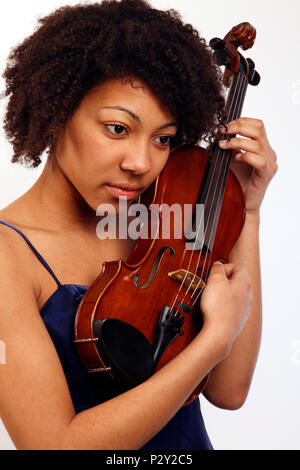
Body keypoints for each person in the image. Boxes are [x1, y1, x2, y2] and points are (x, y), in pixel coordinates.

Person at [0, 0, 277, 450]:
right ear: (58, 111)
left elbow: (229, 391)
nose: (141, 163)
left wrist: (245, 211)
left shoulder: (161, 222)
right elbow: (54, 444)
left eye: (163, 138)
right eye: (117, 128)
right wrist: (214, 340)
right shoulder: (6, 255)